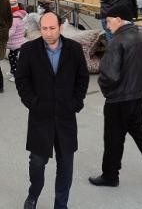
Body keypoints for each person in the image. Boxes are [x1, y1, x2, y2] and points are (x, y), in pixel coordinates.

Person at [89, 3, 142, 188]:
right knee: (139, 133)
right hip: (136, 95)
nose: (108, 26)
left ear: (118, 20)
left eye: (109, 22)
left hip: (118, 98)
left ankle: (110, 176)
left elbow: (108, 75)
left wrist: (108, 92)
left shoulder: (117, 41)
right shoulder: (141, 37)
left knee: (113, 138)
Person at [15, 12, 89, 209]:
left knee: (65, 166)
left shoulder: (74, 49)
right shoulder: (29, 50)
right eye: (44, 29)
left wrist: (75, 103)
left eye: (52, 28)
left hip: (66, 118)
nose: (48, 33)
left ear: (60, 28)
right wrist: (33, 103)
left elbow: (83, 78)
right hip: (41, 117)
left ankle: (61, 204)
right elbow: (22, 80)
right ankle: (33, 194)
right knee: (37, 163)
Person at [7, 2, 27, 83]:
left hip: (15, 44)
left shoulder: (14, 20)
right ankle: (13, 72)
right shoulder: (20, 18)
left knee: (14, 59)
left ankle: (16, 75)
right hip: (19, 43)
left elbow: (11, 31)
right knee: (11, 57)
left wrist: (4, 36)